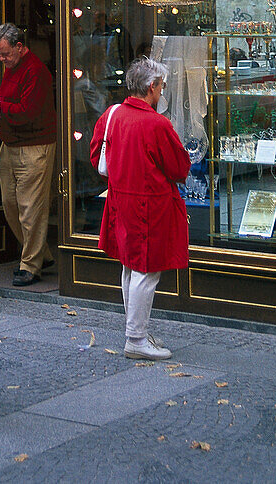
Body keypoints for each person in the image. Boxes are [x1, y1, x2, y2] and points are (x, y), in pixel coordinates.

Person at [90, 57, 190, 361]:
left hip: (121, 198)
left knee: (130, 266)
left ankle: (136, 331)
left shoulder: (112, 114)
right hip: (150, 203)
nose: (161, 92)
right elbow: (179, 167)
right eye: (160, 86)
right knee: (146, 270)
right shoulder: (156, 123)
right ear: (151, 86)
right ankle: (135, 337)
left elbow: (96, 155)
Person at [0, 23, 56, 287]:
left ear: (19, 47)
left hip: (34, 144)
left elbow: (26, 112)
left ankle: (30, 265)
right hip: (10, 144)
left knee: (31, 208)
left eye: (6, 54)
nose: (3, 60)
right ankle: (42, 254)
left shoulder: (36, 71)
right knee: (11, 205)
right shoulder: (12, 67)